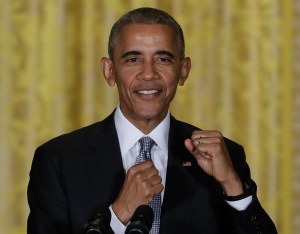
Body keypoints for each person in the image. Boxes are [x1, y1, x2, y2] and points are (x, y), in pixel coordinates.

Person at [27, 7, 277, 234]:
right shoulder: (58, 161)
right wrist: (117, 216)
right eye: (133, 59)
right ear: (109, 71)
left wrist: (232, 186)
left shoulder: (225, 157)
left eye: (163, 59)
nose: (148, 74)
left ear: (184, 70)